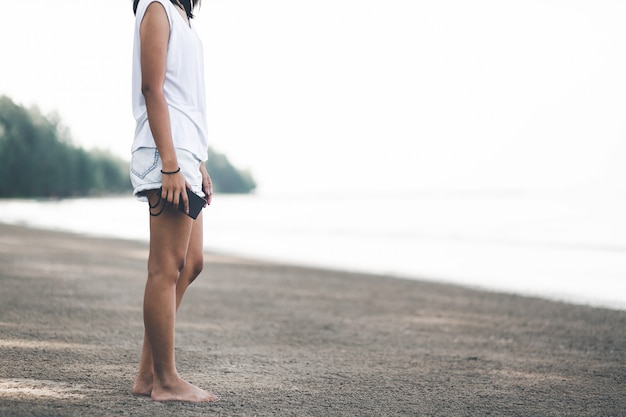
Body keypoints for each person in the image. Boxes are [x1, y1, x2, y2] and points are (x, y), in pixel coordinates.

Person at [129, 0, 219, 403]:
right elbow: (153, 87)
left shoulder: (183, 14)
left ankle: (148, 374)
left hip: (185, 152)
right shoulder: (156, 7)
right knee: (165, 267)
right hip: (166, 152)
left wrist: (197, 162)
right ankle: (165, 381)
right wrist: (169, 162)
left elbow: (187, 97)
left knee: (192, 262)